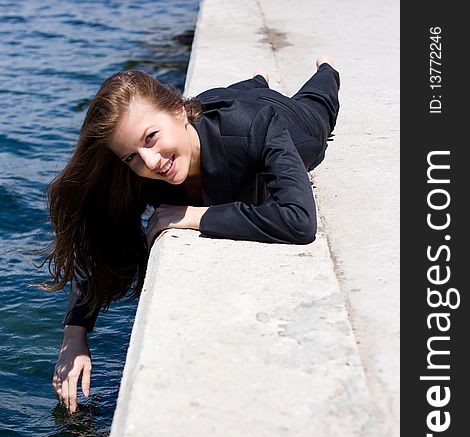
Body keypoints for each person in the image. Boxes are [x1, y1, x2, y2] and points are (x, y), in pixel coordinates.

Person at [45, 56, 340, 413]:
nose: (150, 162)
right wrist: (74, 331)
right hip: (219, 103)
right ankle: (255, 80)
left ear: (179, 111)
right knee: (235, 94)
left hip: (283, 119)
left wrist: (196, 216)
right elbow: (100, 237)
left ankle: (325, 68)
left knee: (316, 106)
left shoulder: (257, 127)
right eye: (131, 157)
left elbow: (298, 220)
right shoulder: (147, 167)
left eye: (151, 138)